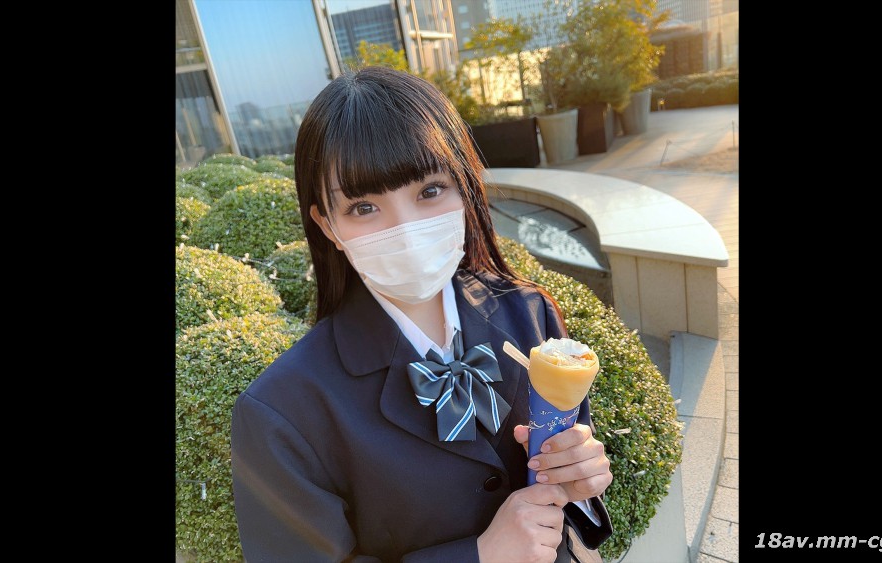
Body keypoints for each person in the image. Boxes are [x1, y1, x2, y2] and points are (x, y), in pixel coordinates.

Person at [231, 65, 614, 563]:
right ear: (327, 225)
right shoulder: (282, 411)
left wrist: (577, 482)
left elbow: (562, 468)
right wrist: (478, 556)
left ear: (464, 187)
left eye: (430, 191)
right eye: (363, 207)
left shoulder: (528, 312)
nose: (406, 229)